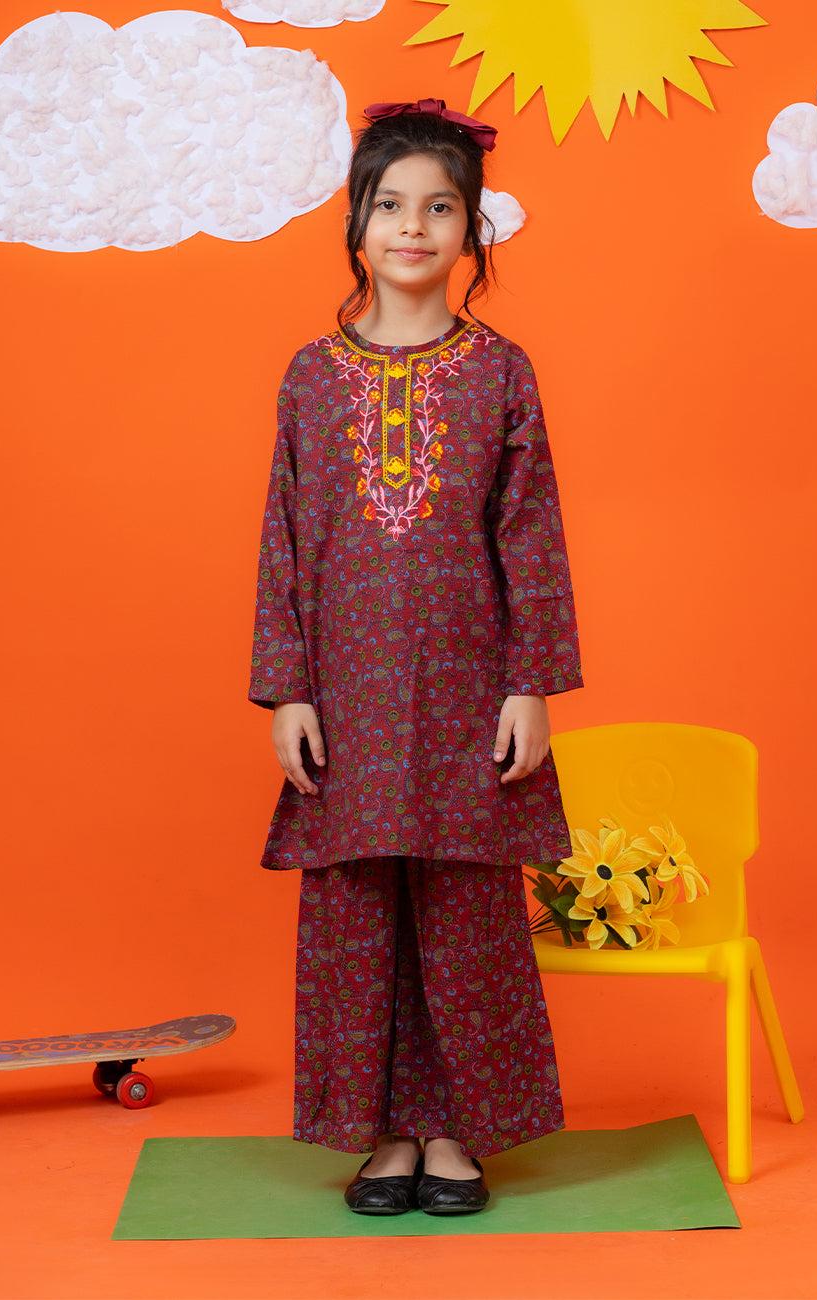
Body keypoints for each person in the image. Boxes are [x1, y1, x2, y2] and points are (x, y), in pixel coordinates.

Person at [250, 98, 582, 1215]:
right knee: (356, 911)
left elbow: (529, 535)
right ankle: (382, 1134)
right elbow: (283, 537)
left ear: (471, 231)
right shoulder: (311, 375)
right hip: (344, 692)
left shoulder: (500, 372)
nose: (412, 226)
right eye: (390, 205)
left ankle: (454, 1133)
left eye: (440, 208)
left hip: (466, 685)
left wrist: (530, 683)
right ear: (356, 222)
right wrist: (287, 688)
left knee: (463, 907)